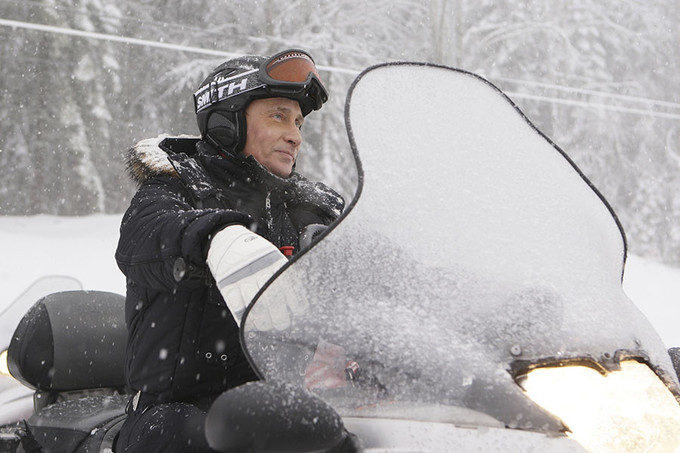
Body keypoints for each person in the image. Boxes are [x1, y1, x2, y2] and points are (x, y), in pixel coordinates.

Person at [114, 49, 345, 452]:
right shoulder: (175, 187)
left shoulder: (311, 205)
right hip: (171, 414)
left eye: (298, 122)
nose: (295, 135)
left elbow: (375, 254)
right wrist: (216, 238)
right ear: (228, 121)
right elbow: (143, 238)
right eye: (278, 116)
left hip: (277, 407)